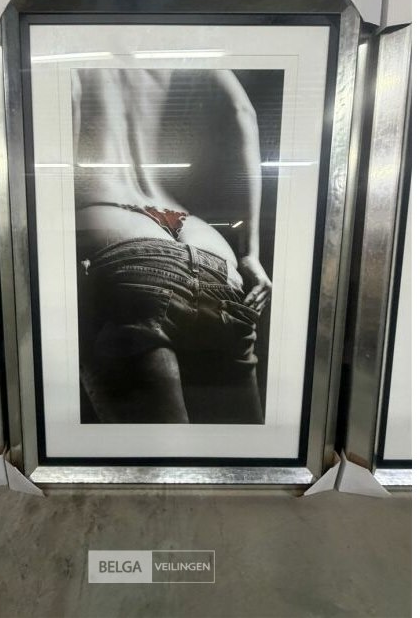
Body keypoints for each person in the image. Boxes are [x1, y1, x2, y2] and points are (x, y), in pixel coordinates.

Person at [73, 68, 272, 424]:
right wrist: (250, 254)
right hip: (211, 255)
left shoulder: (75, 58)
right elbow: (242, 111)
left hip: (119, 239)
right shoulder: (181, 57)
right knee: (239, 449)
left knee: (156, 453)